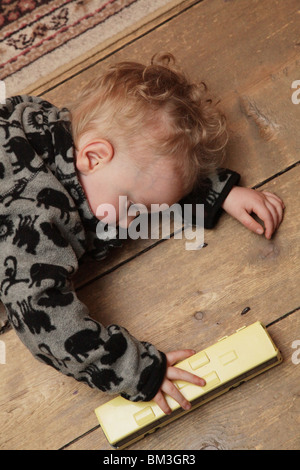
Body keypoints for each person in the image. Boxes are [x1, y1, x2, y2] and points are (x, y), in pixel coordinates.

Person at [0, 54, 284, 415]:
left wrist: (216, 192)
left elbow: (147, 169)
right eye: (135, 206)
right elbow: (41, 313)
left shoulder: (59, 138)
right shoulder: (35, 214)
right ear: (93, 156)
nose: (139, 220)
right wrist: (134, 371)